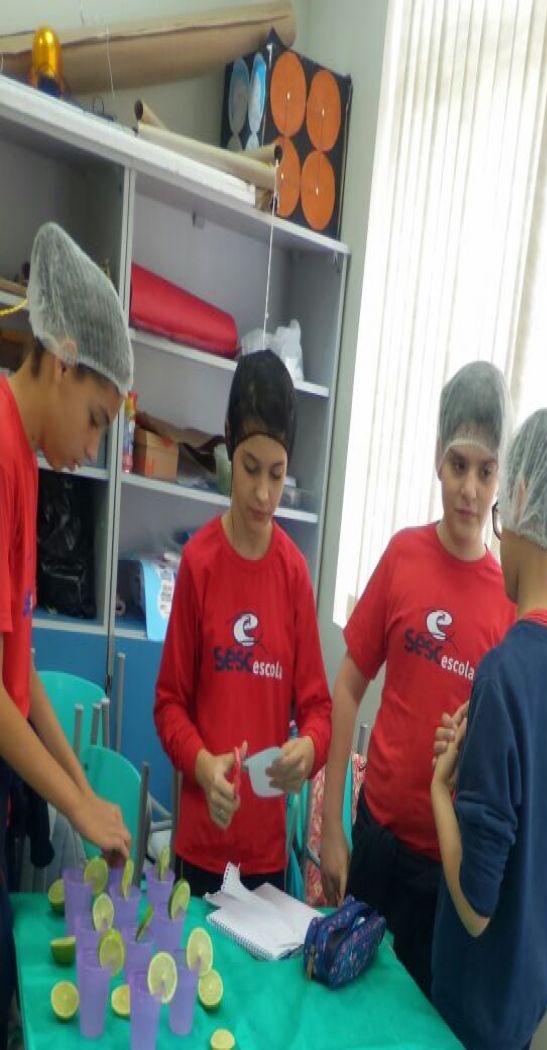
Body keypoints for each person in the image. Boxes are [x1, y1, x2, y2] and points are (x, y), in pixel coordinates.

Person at [320, 360, 516, 997]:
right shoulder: (404, 557)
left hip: (445, 871)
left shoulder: (507, 603)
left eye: (484, 471)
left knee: (416, 1027)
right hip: (375, 841)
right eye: (458, 465)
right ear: (437, 459)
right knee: (350, 1016)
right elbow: (348, 687)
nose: (469, 489)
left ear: (500, 479)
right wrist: (333, 828)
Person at [0, 221, 133, 1049]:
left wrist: (82, 783)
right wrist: (75, 805)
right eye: (94, 419)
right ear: (59, 359)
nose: (91, 447)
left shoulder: (23, 459)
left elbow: (19, 665)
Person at [431, 407, 547, 1050]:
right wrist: (474, 763)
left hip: (478, 999)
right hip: (529, 985)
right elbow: (540, 831)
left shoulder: (501, 675)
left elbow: (476, 908)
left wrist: (439, 792)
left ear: (519, 495)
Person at [154, 349, 332, 897]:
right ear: (229, 443)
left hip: (264, 859)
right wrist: (202, 766)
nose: (262, 493)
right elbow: (169, 704)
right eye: (250, 469)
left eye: (277, 474)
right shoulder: (200, 564)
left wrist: (309, 750)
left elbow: (319, 711)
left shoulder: (293, 575)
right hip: (201, 847)